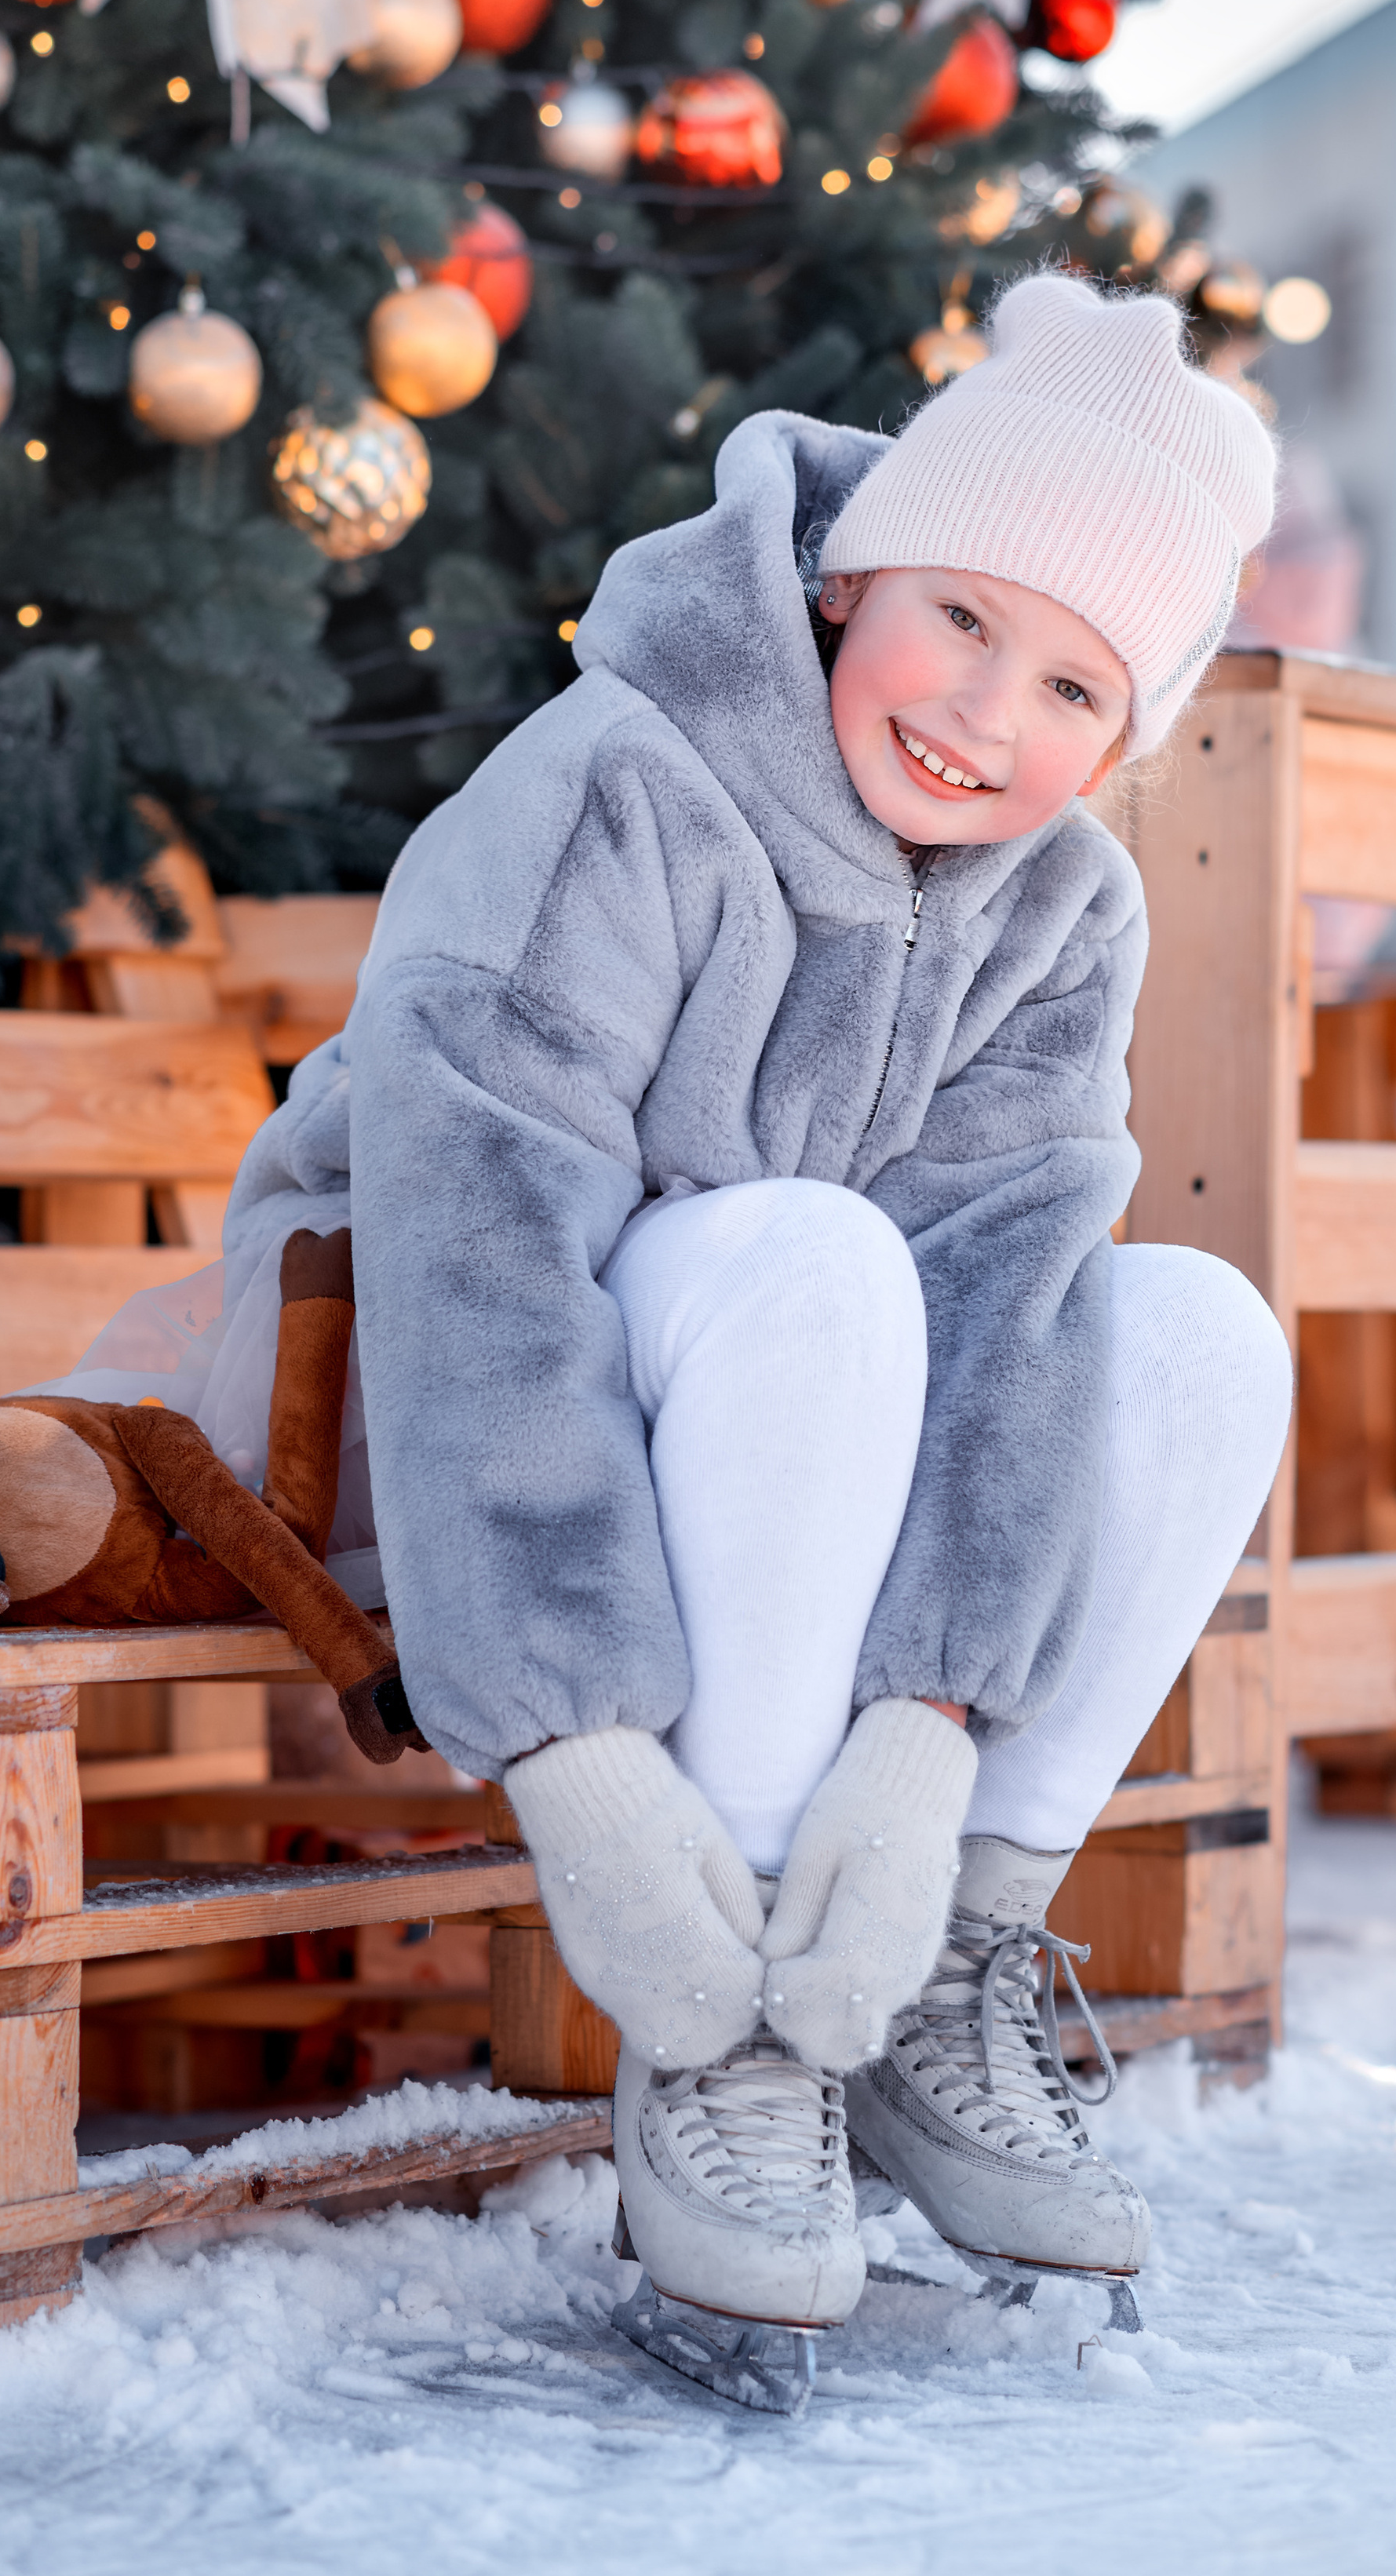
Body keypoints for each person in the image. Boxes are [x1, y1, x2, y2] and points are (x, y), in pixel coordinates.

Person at [63, 271, 1295, 2344]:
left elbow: (1007, 1300)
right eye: (965, 617)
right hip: (414, 1426)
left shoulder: (1071, 907)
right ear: (851, 580)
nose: (991, 715)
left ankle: (931, 1966)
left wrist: (926, 1740)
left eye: (1078, 689)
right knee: (805, 1245)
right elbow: (474, 1249)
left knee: (1186, 1328)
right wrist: (583, 1768)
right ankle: (723, 2017)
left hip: (797, 1435)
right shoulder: (617, 780)